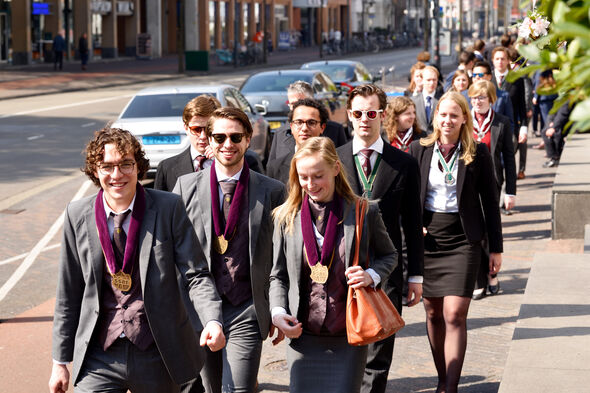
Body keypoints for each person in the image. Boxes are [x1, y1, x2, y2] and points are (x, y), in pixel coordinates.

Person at [49, 127, 225, 393]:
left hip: (157, 351)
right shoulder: (77, 215)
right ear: (95, 171)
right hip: (100, 355)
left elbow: (196, 274)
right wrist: (60, 361)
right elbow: (68, 291)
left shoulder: (168, 208)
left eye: (126, 164)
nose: (117, 175)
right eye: (107, 166)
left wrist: (212, 319)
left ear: (139, 167)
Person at [269, 136, 397, 393]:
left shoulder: (364, 211)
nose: (310, 184)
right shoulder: (285, 217)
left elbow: (389, 255)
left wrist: (370, 274)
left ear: (336, 169)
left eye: (318, 176)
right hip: (302, 335)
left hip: (347, 336)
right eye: (303, 177)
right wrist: (278, 312)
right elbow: (278, 275)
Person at [173, 107, 285, 393]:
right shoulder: (185, 188)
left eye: (236, 137)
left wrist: (277, 306)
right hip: (199, 308)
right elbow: (170, 252)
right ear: (209, 141)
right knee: (212, 389)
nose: (227, 145)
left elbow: (280, 259)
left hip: (246, 306)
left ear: (248, 140)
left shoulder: (272, 190)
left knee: (238, 388)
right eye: (219, 137)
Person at [408, 91, 503, 393]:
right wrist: (412, 229)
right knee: (433, 312)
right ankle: (440, 378)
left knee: (454, 313)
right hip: (429, 239)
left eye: (454, 115)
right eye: (442, 115)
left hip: (464, 239)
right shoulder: (418, 150)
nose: (447, 121)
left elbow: (490, 202)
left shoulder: (478, 152)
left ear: (464, 119)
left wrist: (497, 248)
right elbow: (409, 200)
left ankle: (451, 386)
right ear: (435, 117)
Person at [336, 84, 424, 393]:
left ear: (382, 115)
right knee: (344, 351)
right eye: (358, 113)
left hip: (386, 271)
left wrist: (416, 275)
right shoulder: (333, 159)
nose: (364, 119)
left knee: (378, 356)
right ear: (349, 115)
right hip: (340, 271)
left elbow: (413, 224)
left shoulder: (404, 164)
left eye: (371, 113)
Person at [467, 80, 516, 300]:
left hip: (492, 184)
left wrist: (511, 191)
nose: (477, 102)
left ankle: (492, 274)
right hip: (466, 184)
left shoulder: (501, 123)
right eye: (474, 97)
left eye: (481, 97)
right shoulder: (464, 120)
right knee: (473, 230)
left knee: (490, 230)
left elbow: (508, 159)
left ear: (491, 99)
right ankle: (479, 279)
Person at [154, 95, 263, 192]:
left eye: (207, 129)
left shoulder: (248, 160)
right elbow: (161, 210)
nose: (202, 136)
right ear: (186, 128)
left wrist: (222, 161)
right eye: (196, 129)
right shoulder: (167, 167)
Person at [268, 80, 348, 162]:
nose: (296, 108)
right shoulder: (280, 133)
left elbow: (344, 165)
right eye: (292, 104)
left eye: (301, 102)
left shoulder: (335, 130)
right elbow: (272, 169)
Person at [266, 98, 329, 185]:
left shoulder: (335, 164)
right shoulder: (275, 167)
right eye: (299, 122)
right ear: (291, 127)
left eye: (311, 122)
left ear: (322, 127)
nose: (304, 128)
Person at [492, 46, 528, 180]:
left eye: (503, 59)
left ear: (508, 61)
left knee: (507, 160)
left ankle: (507, 189)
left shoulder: (517, 79)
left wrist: (523, 128)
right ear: (493, 61)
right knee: (494, 163)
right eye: (497, 59)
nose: (500, 62)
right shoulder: (488, 80)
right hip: (491, 127)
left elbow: (521, 106)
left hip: (510, 127)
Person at [472, 60, 514, 131]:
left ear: (489, 77)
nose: (477, 77)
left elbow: (509, 123)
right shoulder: (465, 96)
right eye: (474, 75)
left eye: (480, 75)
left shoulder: (503, 96)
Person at [412, 65, 441, 134]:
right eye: (428, 80)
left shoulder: (443, 100)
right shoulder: (413, 101)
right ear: (422, 80)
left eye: (434, 80)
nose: (432, 83)